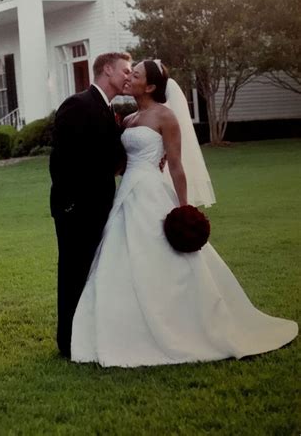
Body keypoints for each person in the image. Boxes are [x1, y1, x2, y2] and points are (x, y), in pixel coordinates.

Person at [71, 60, 298, 367]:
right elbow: (120, 162)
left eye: (135, 75)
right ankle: (122, 326)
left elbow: (175, 165)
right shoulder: (127, 119)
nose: (129, 78)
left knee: (160, 256)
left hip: (151, 192)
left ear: (150, 86)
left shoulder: (165, 116)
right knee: (119, 255)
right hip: (127, 191)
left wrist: (184, 207)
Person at [49, 51, 132, 358]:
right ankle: (68, 343)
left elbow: (106, 157)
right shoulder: (78, 104)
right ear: (107, 70)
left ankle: (89, 335)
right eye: (125, 70)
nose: (128, 76)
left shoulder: (107, 108)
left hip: (100, 207)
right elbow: (62, 161)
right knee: (73, 273)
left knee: (93, 271)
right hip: (76, 210)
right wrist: (70, 204)